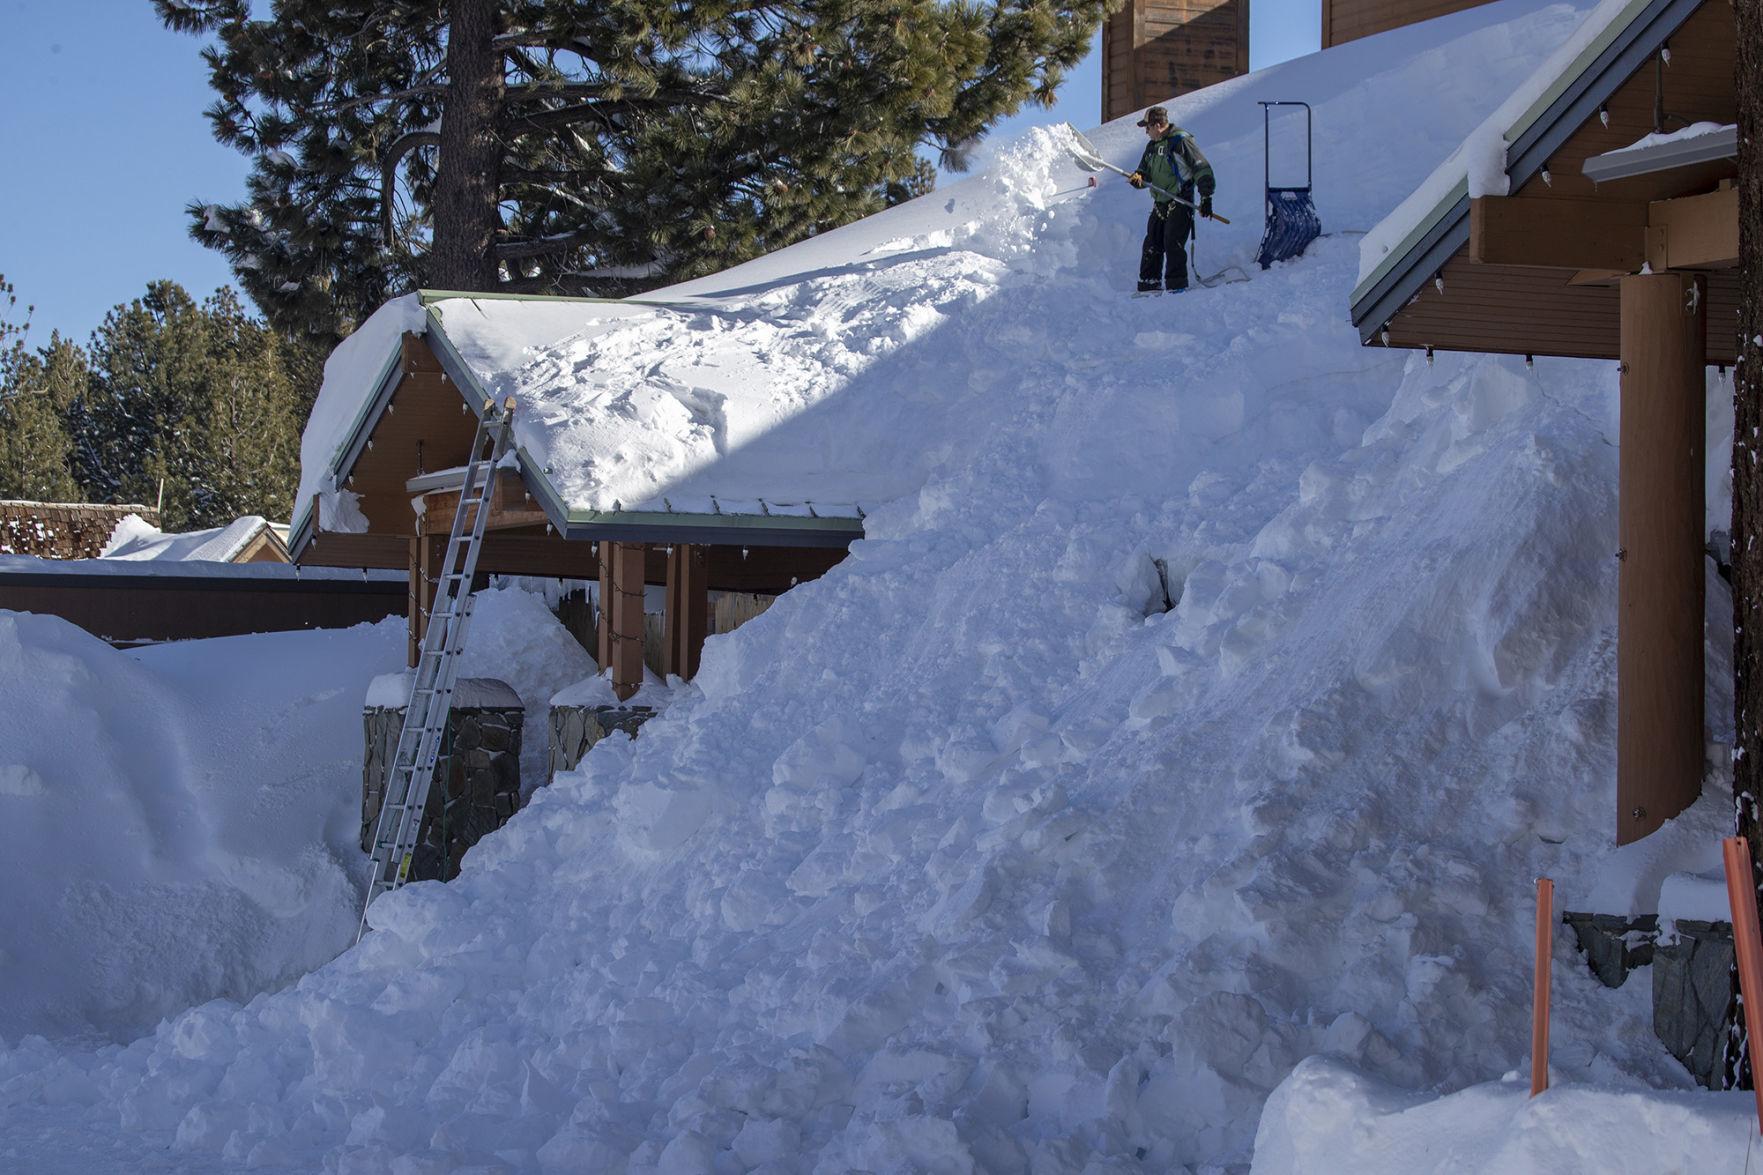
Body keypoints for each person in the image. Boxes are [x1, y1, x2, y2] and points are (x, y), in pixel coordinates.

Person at [1127, 106, 1216, 293]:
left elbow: (1202, 168)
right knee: (1152, 243)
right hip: (1160, 202)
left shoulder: (1180, 141)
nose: (1146, 132)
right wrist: (1138, 179)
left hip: (1180, 200)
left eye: (1148, 128)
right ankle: (1149, 285)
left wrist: (1206, 197)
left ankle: (1177, 286)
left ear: (1158, 125)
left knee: (1172, 242)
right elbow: (1144, 173)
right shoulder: (1151, 147)